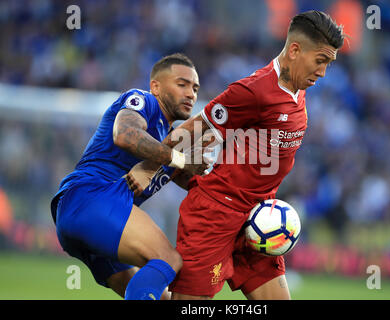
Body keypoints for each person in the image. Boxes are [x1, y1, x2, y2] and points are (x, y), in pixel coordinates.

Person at [129, 10, 345, 300]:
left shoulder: (299, 88)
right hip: (215, 216)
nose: (323, 72)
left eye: (328, 63)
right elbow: (197, 129)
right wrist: (149, 166)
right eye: (320, 61)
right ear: (294, 50)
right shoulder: (254, 91)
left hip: (259, 219)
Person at [50, 53, 208, 300]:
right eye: (182, 84)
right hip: (91, 197)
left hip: (86, 218)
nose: (190, 93)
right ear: (155, 86)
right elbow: (125, 134)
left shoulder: (170, 140)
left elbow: (199, 184)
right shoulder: (144, 101)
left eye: (195, 88)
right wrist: (180, 160)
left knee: (156, 295)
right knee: (168, 258)